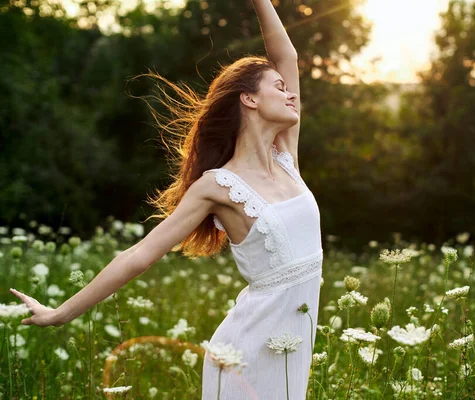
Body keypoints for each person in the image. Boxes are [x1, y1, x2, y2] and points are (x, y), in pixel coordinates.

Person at [9, 0, 322, 398]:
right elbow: (139, 255)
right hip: (247, 351)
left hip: (292, 346)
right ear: (249, 99)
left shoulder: (285, 158)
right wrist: (60, 313)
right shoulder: (218, 186)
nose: (292, 94)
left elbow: (287, 54)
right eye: (279, 87)